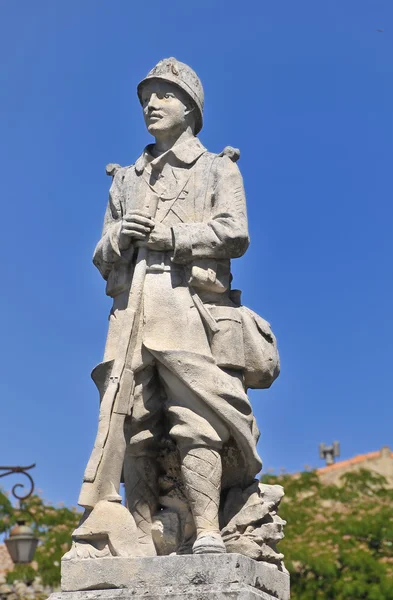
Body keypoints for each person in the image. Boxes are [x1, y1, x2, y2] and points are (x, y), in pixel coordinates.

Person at [77, 58, 278, 557]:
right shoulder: (125, 179)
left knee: (197, 418)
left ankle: (208, 528)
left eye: (164, 94)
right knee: (133, 423)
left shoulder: (216, 168)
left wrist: (172, 236)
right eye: (147, 96)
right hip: (130, 313)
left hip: (189, 307)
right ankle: (143, 536)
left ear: (190, 108)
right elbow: (100, 254)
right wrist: (118, 238)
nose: (151, 104)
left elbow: (235, 232)